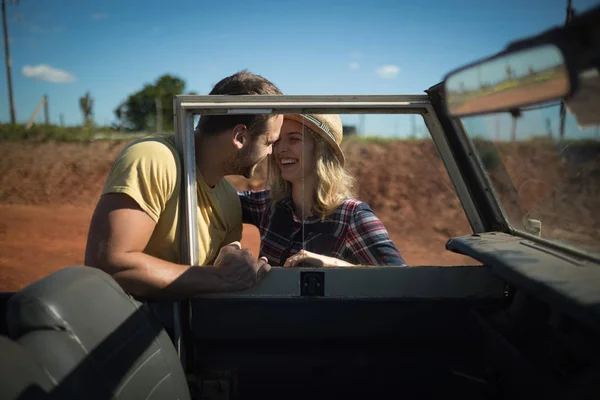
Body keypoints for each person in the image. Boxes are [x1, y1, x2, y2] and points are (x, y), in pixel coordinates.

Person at [84, 70, 284, 300]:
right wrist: (219, 278)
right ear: (240, 137)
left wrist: (235, 265)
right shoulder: (153, 158)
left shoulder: (229, 198)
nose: (271, 152)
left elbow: (215, 280)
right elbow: (109, 264)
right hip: (131, 329)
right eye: (269, 142)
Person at [238, 113, 406, 267]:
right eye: (277, 141)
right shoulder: (269, 205)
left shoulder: (352, 215)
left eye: (294, 139)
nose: (280, 149)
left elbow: (401, 278)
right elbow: (215, 193)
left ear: (321, 149)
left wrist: (335, 265)